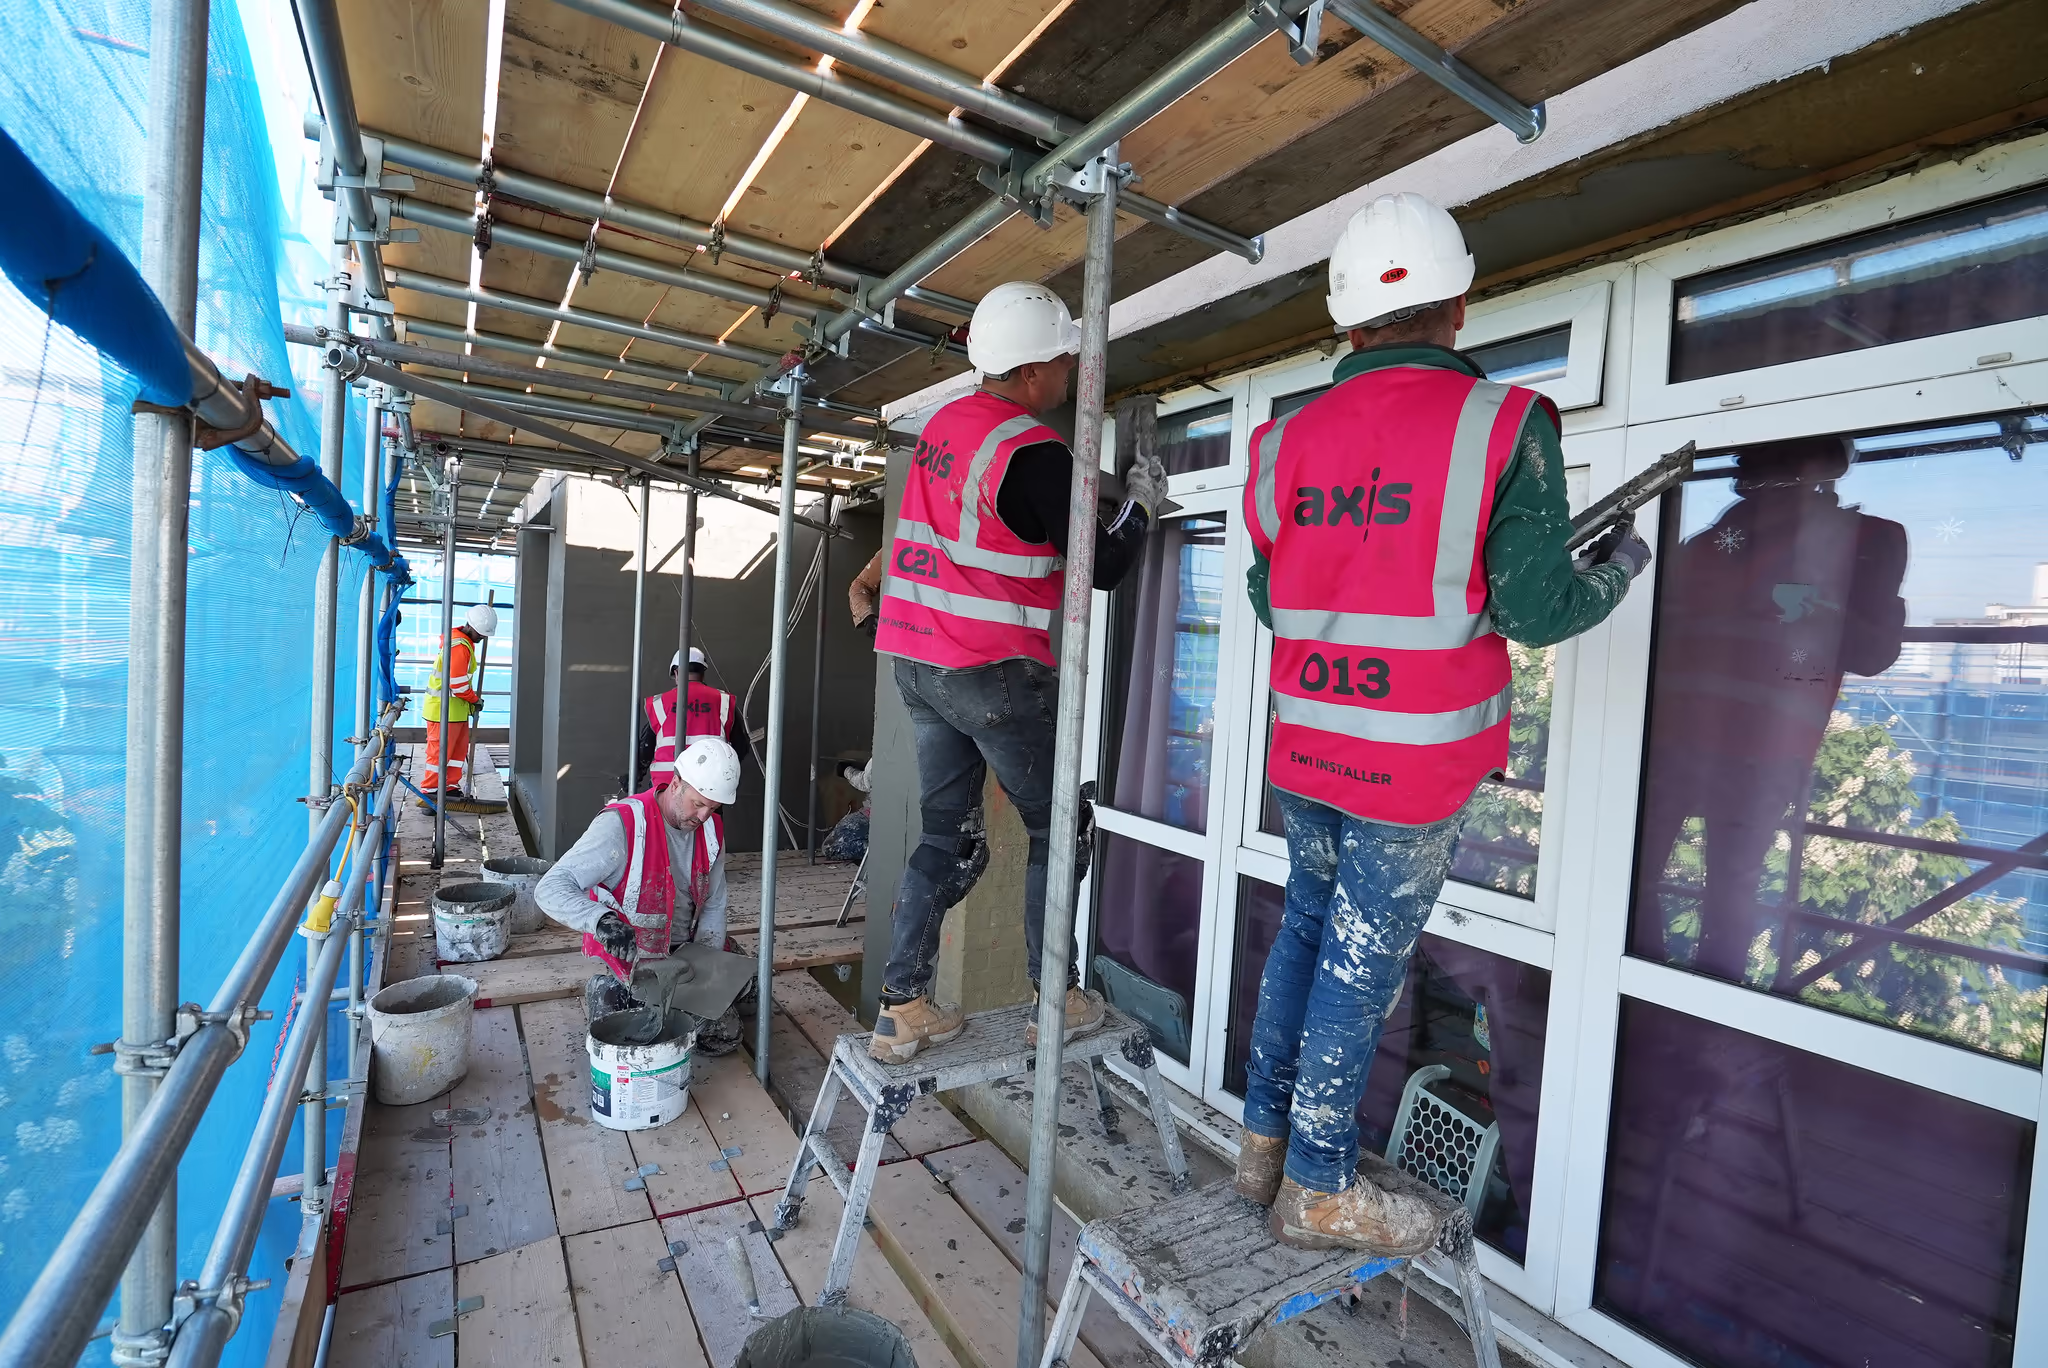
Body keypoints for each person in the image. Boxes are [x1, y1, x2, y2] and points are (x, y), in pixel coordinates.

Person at [1236, 192, 1651, 1255]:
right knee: (1359, 959)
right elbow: (1532, 609)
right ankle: (1318, 1189)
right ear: (1458, 306)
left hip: (1304, 744)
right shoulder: (1504, 425)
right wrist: (1613, 575)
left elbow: (1265, 595)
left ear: (1344, 321)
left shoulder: (1282, 441)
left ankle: (1262, 1145)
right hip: (1409, 767)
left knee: (1305, 932)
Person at [869, 281, 1166, 1064]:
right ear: (1033, 370)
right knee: (1059, 828)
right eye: (1065, 359)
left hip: (920, 662)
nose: (1071, 370)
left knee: (950, 839)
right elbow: (1101, 564)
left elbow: (1003, 523)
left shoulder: (945, 426)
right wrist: (1141, 503)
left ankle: (900, 1008)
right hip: (991, 671)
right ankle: (1053, 998)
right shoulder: (1031, 450)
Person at [535, 737, 744, 1032]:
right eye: (698, 804)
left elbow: (714, 904)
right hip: (632, 958)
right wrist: (601, 920)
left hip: (685, 953)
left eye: (714, 808)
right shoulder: (623, 825)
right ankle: (605, 986)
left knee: (724, 1033)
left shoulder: (711, 832)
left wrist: (707, 968)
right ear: (675, 783)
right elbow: (551, 887)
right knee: (628, 1029)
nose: (704, 817)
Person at [634, 646, 747, 792]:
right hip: (709, 788)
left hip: (666, 787)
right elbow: (741, 746)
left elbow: (646, 748)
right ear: (702, 673)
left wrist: (636, 775)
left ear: (676, 672)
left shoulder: (660, 703)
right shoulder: (723, 701)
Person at [420, 603, 496, 804]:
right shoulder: (459, 646)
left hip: (455, 711)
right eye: (481, 633)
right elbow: (458, 685)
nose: (483, 637)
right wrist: (475, 700)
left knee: (456, 752)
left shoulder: (463, 643)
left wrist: (470, 703)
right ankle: (430, 793)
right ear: (470, 626)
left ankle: (450, 788)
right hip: (442, 711)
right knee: (439, 754)